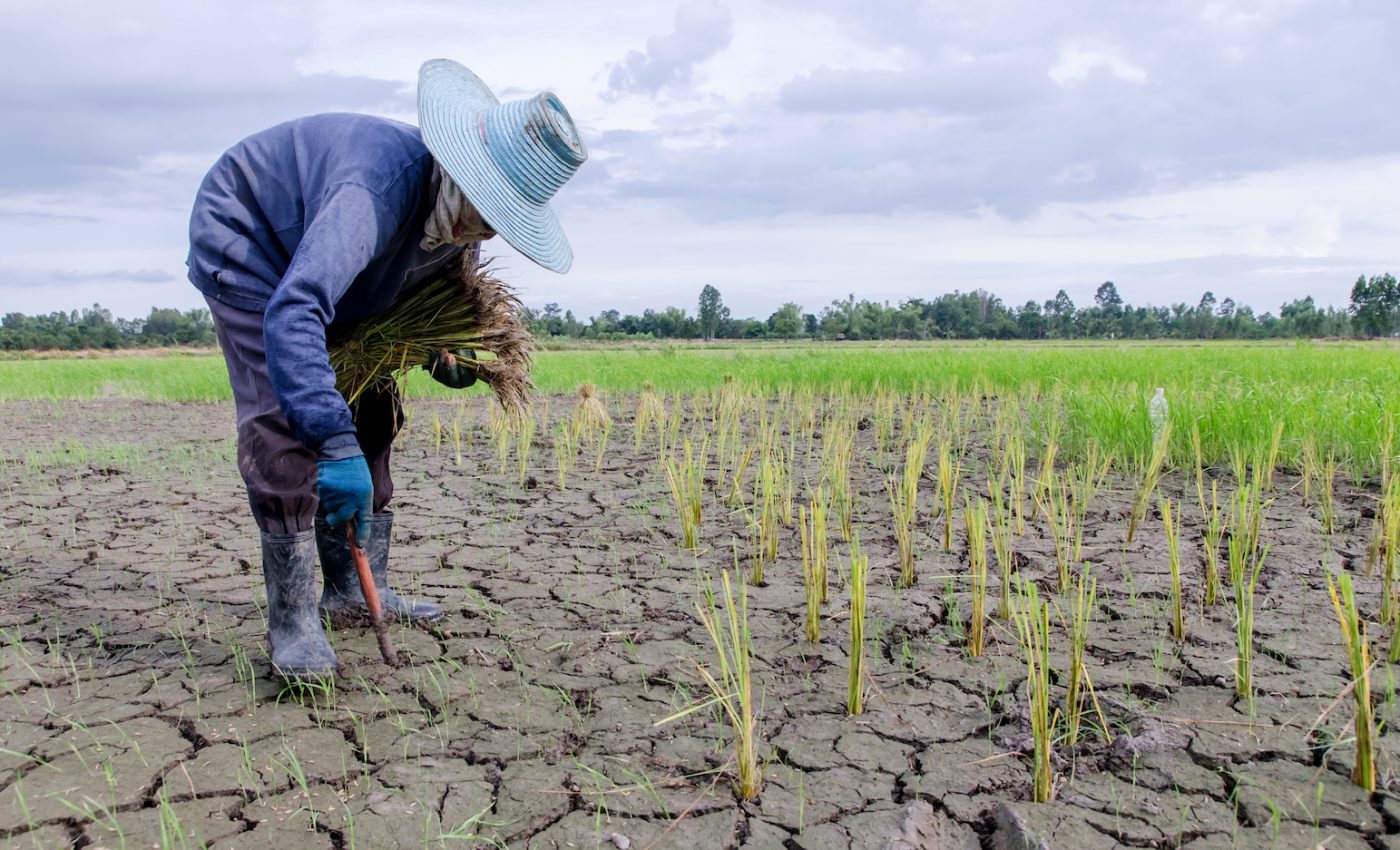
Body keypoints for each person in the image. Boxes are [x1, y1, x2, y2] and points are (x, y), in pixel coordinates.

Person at [186, 59, 587, 679]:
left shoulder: (460, 227)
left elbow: (401, 300)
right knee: (283, 423)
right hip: (252, 242)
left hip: (332, 276)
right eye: (484, 205)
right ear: (458, 168)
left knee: (374, 412)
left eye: (500, 217)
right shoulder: (372, 193)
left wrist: (441, 355)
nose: (483, 229)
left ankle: (352, 590)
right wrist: (331, 440)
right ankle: (293, 623)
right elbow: (296, 309)